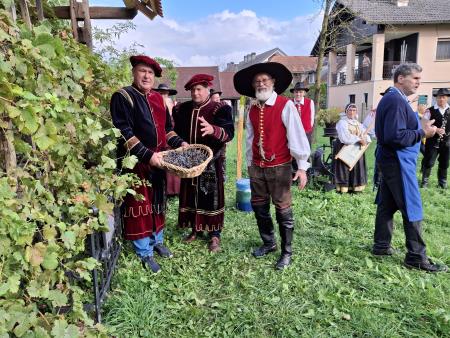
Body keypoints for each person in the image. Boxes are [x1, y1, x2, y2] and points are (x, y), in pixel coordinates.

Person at [110, 55, 186, 273]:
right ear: (134, 72)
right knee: (140, 207)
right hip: (135, 163)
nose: (146, 76)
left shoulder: (158, 99)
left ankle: (157, 240)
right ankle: (144, 251)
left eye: (150, 73)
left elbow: (168, 130)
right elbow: (123, 132)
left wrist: (180, 143)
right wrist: (146, 154)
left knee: (158, 201)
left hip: (159, 162)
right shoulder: (123, 96)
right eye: (142, 71)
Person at [233, 62, 311, 270]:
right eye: (257, 81)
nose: (260, 84)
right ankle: (269, 243)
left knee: (283, 210)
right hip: (257, 167)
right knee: (259, 207)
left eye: (264, 80)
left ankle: (287, 252)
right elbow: (250, 138)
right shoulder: (251, 108)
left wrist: (302, 167)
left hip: (280, 167)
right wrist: (250, 163)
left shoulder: (285, 105)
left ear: (273, 82)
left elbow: (297, 136)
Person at [372, 63, 447, 272]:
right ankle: (415, 257)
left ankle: (381, 245)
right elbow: (395, 136)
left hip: (391, 160)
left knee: (386, 204)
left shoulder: (393, 97)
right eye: (415, 78)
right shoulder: (395, 100)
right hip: (398, 161)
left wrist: (422, 127)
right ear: (400, 79)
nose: (418, 83)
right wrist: (423, 133)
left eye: (419, 79)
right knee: (412, 206)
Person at [172, 74, 234, 252]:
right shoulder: (182, 109)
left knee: (211, 197)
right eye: (192, 90)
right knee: (190, 194)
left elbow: (229, 132)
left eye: (199, 89)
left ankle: (215, 234)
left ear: (208, 89)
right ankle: (195, 229)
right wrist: (180, 145)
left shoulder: (219, 108)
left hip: (211, 162)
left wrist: (213, 129)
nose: (195, 93)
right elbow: (174, 131)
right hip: (189, 161)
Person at [334, 103, 371, 193]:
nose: (352, 112)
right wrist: (358, 139)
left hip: (356, 149)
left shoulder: (358, 123)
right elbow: (345, 137)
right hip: (345, 148)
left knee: (357, 167)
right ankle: (343, 187)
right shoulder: (342, 122)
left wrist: (365, 139)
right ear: (346, 111)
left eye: (354, 110)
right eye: (350, 110)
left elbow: (364, 134)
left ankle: (355, 187)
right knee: (344, 167)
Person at [154, 83, 181, 196]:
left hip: (172, 138)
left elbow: (175, 123)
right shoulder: (155, 105)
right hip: (160, 141)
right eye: (161, 93)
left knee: (173, 163)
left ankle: (175, 190)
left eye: (165, 93)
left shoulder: (173, 106)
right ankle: (167, 190)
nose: (163, 95)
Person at [420, 88, 450, 189]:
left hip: (447, 141)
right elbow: (423, 123)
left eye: (443, 97)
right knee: (429, 161)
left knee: (445, 161)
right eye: (439, 97)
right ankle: (425, 182)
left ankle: (442, 182)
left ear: (447, 98)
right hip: (432, 140)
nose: (441, 99)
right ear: (436, 98)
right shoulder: (430, 110)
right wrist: (435, 129)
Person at [290, 81, 315, 146]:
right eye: (296, 92)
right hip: (293, 134)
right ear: (293, 93)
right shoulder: (289, 103)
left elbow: (312, 119)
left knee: (306, 153)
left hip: (306, 133)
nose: (298, 94)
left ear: (304, 93)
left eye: (300, 92)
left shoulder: (310, 102)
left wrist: (308, 130)